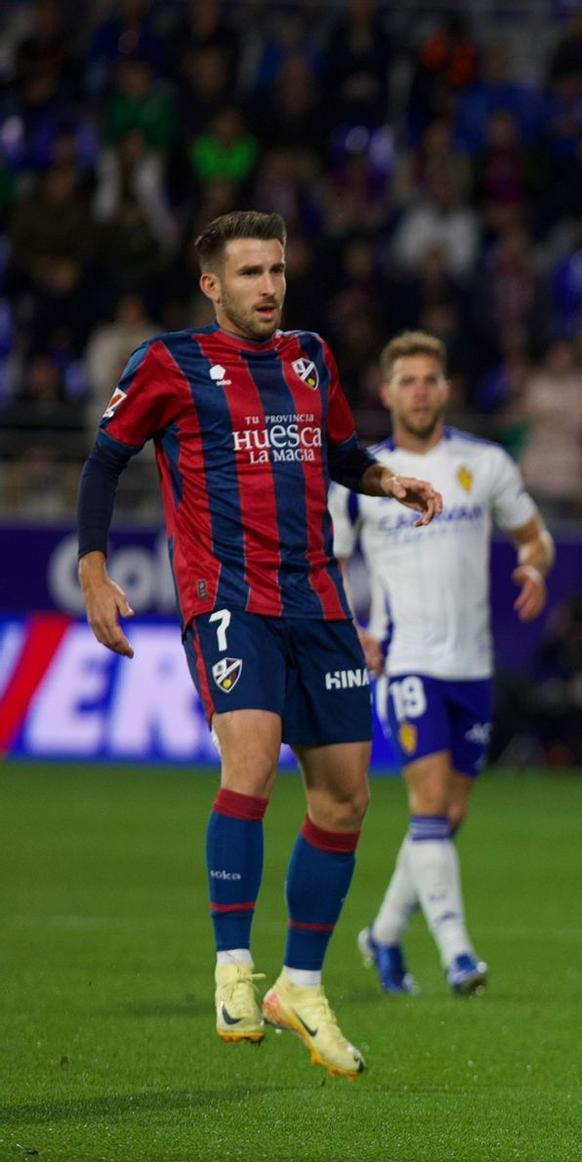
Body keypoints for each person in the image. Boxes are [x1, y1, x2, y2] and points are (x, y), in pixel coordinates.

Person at [74, 210, 443, 1079]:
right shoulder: (168, 364)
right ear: (212, 284)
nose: (269, 287)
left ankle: (301, 985)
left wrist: (386, 480)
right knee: (251, 757)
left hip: (319, 599)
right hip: (228, 596)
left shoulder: (311, 355)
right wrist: (94, 571)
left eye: (276, 270)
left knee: (347, 797)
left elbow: (341, 451)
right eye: (249, 274)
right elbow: (103, 462)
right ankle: (233, 966)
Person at [332, 330, 555, 997]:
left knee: (447, 816)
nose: (421, 391)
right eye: (408, 380)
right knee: (428, 806)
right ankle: (459, 954)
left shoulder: (483, 465)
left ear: (446, 388)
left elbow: (535, 536)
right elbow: (327, 564)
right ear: (386, 391)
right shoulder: (363, 475)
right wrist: (352, 631)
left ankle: (383, 935)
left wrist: (532, 566)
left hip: (473, 667)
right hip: (407, 663)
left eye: (431, 379)